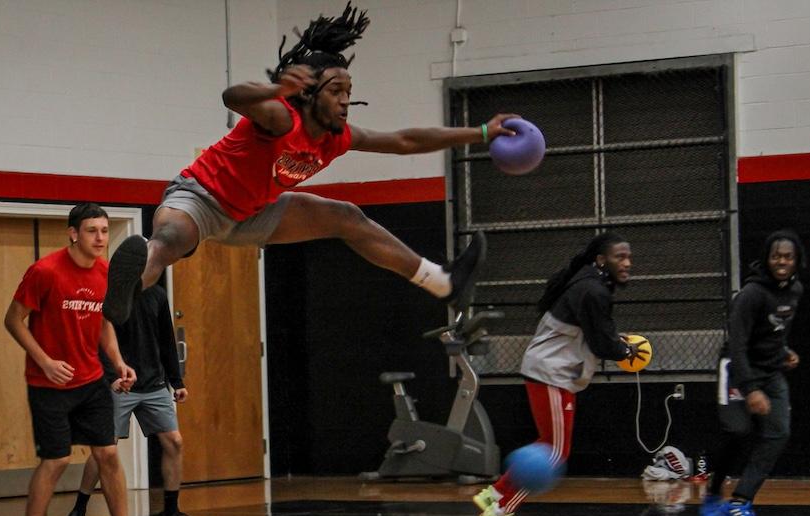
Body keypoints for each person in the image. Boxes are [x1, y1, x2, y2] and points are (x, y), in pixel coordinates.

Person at [102, 2, 517, 325]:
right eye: (336, 90)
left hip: (255, 213)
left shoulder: (338, 138)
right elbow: (232, 97)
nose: (344, 99)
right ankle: (126, 291)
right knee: (169, 239)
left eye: (348, 91)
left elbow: (406, 140)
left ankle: (442, 283)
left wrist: (480, 132)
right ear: (310, 93)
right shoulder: (282, 117)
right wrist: (276, 87)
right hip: (202, 198)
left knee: (347, 216)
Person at [3, 203, 151, 516]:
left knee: (109, 456)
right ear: (73, 234)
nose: (100, 238)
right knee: (54, 462)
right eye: (92, 231)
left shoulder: (105, 273)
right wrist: (44, 361)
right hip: (49, 384)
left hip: (91, 382)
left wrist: (118, 361)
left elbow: (103, 324)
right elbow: (13, 319)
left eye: (104, 230)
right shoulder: (45, 271)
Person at [474, 232, 642, 516]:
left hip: (550, 372)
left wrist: (617, 344)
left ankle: (495, 493)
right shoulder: (593, 290)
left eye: (629, 256)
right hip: (551, 373)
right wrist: (625, 351)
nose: (628, 263)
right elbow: (602, 342)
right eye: (621, 256)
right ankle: (500, 512)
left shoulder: (589, 282)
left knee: (548, 444)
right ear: (601, 259)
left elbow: (596, 335)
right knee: (555, 452)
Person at [63, 283, 206, 516]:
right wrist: (110, 379)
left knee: (174, 442)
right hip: (120, 384)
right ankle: (79, 509)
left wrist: (177, 381)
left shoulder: (157, 295)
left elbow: (166, 339)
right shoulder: (110, 294)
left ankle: (171, 512)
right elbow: (99, 340)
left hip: (154, 383)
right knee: (104, 449)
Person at [699, 230, 805, 516]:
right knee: (737, 431)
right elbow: (738, 345)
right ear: (768, 258)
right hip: (736, 368)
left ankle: (740, 503)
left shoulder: (795, 290)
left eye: (787, 256)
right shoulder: (751, 294)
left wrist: (784, 351)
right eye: (776, 256)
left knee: (778, 432)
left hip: (770, 371)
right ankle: (713, 493)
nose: (781, 261)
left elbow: (773, 331)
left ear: (796, 260)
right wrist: (751, 389)